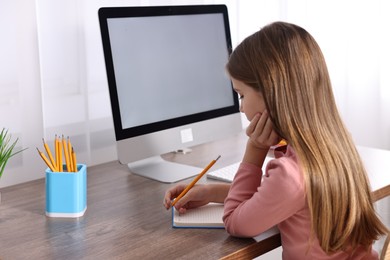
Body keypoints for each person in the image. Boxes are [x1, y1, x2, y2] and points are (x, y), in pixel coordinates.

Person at [163, 21, 388, 259]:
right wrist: (209, 193)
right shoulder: (333, 146)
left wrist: (255, 149)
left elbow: (235, 222)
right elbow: (275, 198)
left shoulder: (290, 174)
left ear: (272, 94)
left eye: (241, 95)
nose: (241, 108)